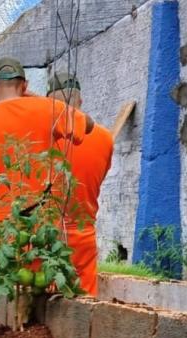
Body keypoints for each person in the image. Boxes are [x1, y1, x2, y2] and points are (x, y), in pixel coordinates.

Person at [0, 57, 93, 277]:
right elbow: (88, 124)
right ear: (24, 86)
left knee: (4, 301)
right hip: (43, 235)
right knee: (43, 299)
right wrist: (37, 99)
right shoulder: (49, 111)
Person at [47, 72, 114, 296]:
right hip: (85, 234)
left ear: (49, 103)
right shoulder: (105, 138)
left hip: (48, 236)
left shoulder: (45, 135)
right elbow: (100, 176)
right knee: (85, 307)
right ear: (81, 101)